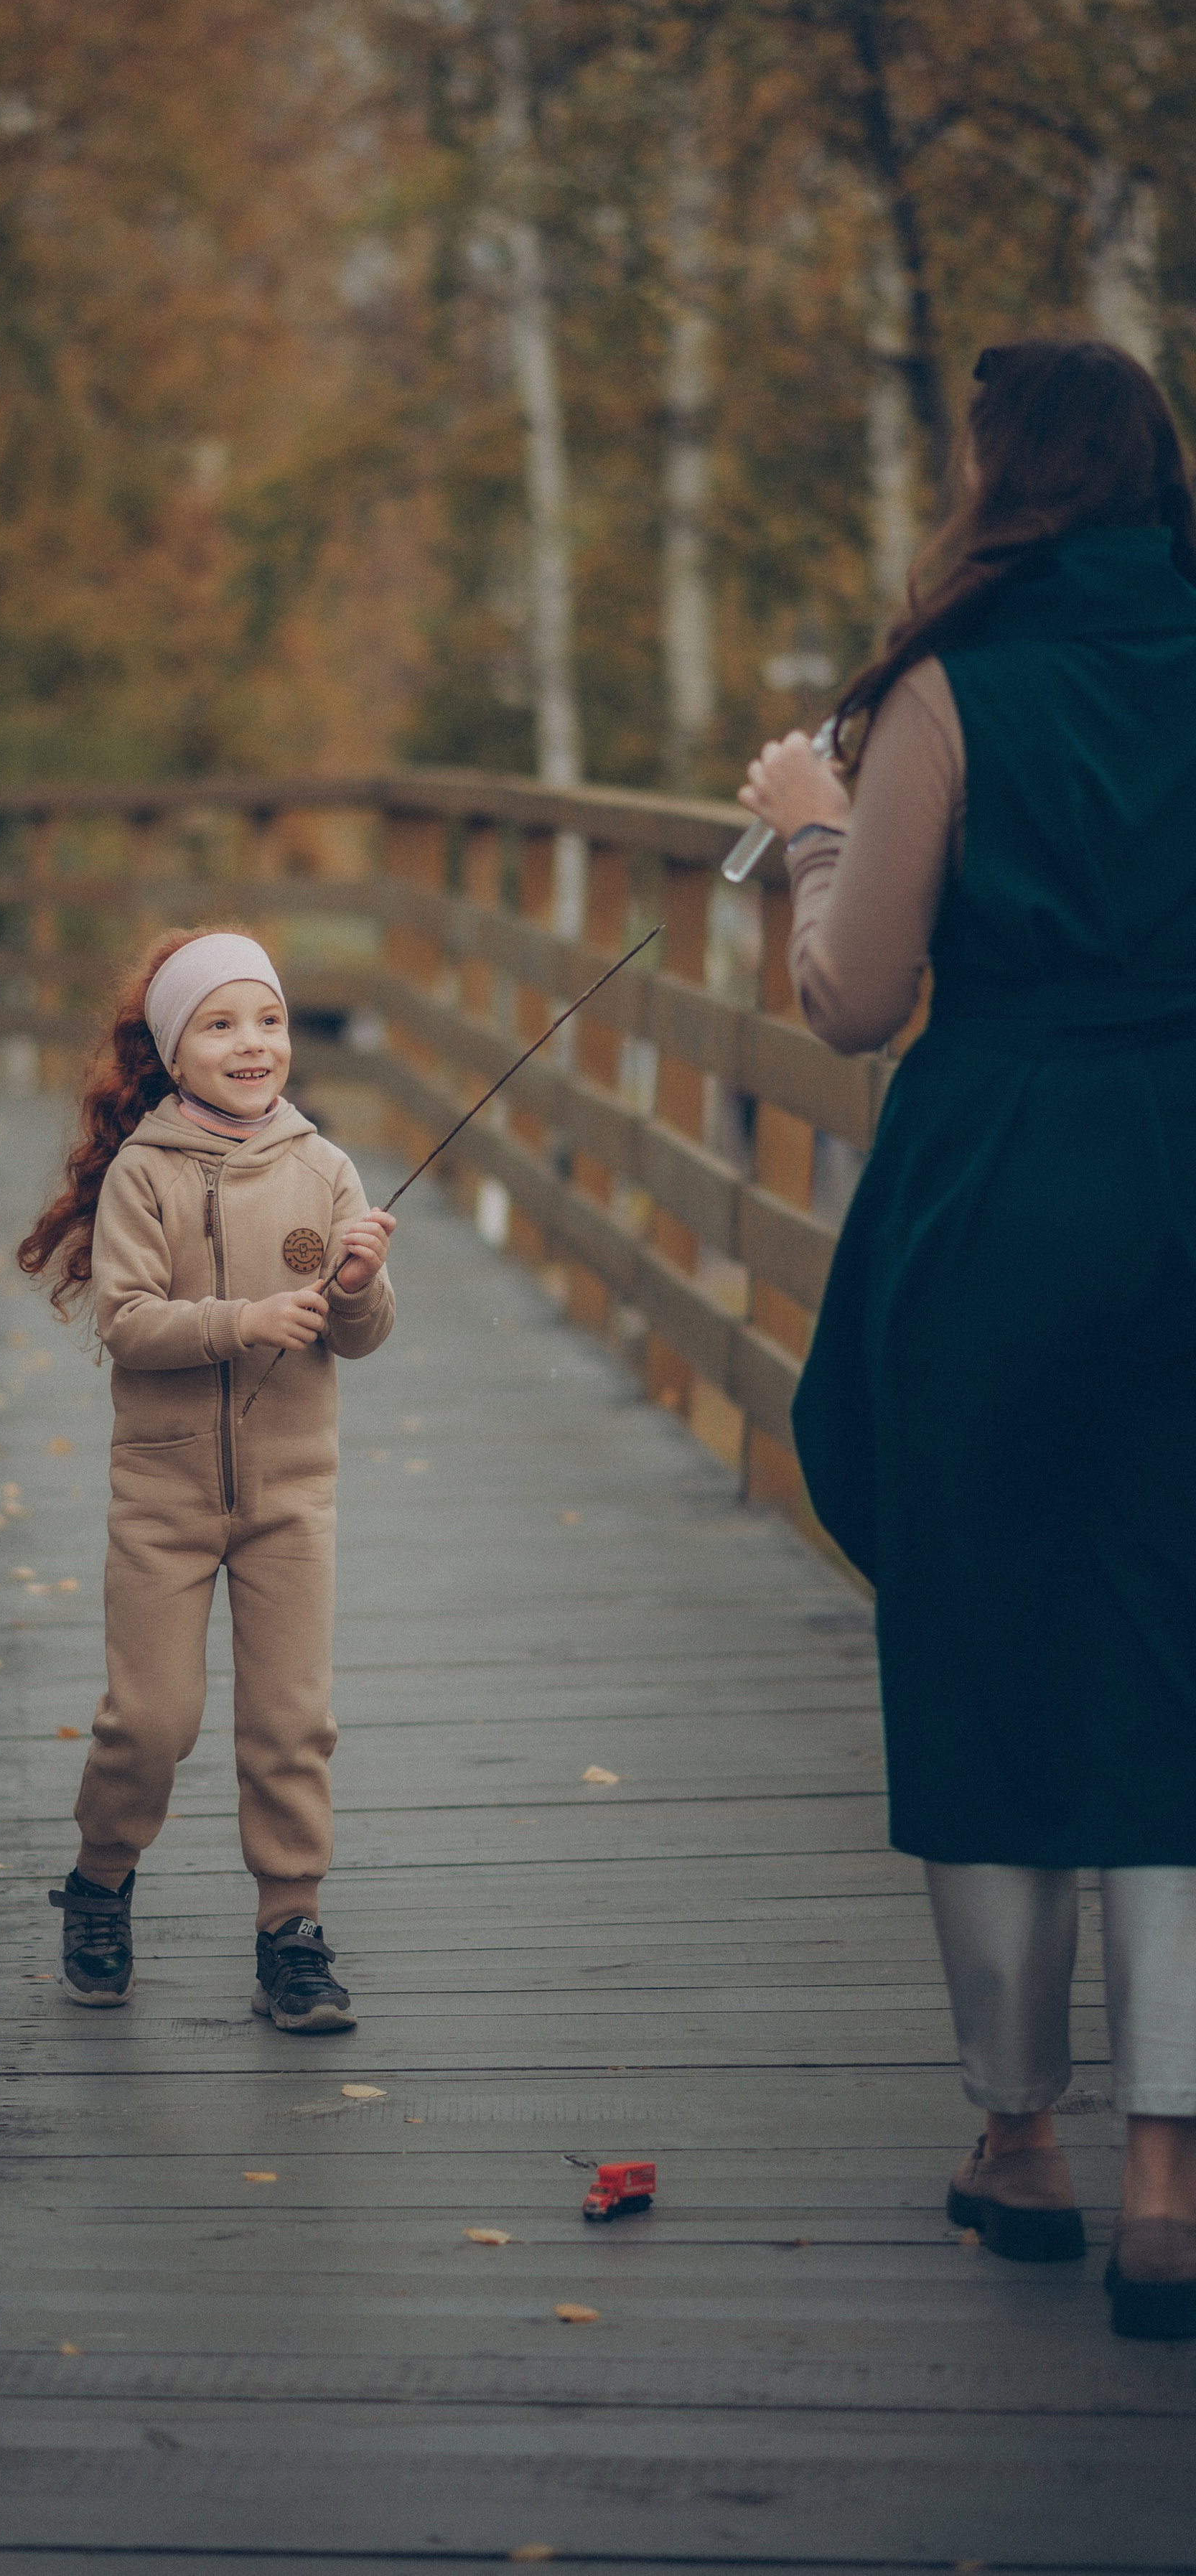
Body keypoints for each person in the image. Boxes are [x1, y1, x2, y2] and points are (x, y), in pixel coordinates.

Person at [739, 338, 1196, 2343]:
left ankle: (1019, 2138)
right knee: (1176, 1660)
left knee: (991, 1640)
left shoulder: (946, 687)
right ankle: (1173, 2178)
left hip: (1002, 1190)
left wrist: (811, 821)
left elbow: (852, 1000)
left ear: (1002, 477)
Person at [17, 928, 396, 2033]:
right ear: (173, 1051)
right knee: (151, 1719)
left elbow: (359, 1336)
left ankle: (292, 1928)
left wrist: (361, 1285)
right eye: (221, 1025)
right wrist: (245, 1322)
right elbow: (128, 1323)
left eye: (268, 1020)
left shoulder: (325, 1168)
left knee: (289, 1721)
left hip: (290, 1499)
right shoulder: (144, 1173)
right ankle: (98, 1883)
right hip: (166, 1500)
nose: (252, 1044)